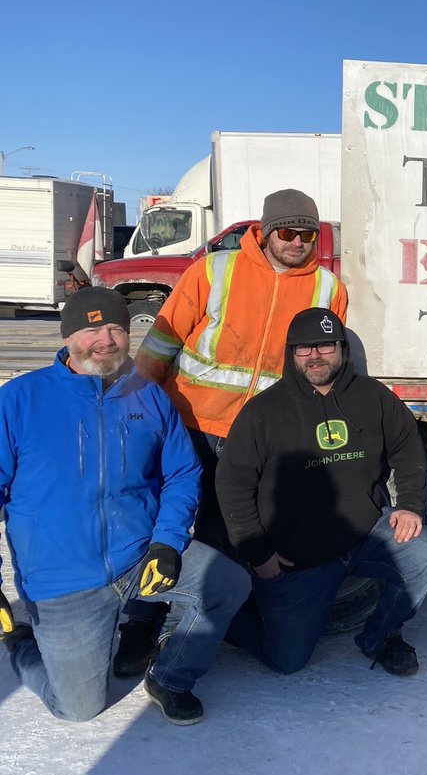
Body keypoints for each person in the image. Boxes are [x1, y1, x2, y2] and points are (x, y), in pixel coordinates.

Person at [119, 188, 348, 675]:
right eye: (287, 232)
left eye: (308, 233)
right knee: (166, 527)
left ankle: (200, 629)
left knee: (225, 535)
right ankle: (139, 626)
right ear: (264, 231)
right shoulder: (213, 270)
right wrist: (137, 407)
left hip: (257, 438)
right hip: (191, 425)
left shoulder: (328, 289)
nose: (297, 242)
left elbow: (323, 365)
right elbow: (163, 338)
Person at [0, 287, 249, 725]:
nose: (106, 339)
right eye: (91, 329)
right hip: (64, 579)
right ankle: (20, 643)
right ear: (67, 338)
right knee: (77, 709)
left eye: (116, 327)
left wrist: (168, 542)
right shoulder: (19, 401)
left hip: (139, 558)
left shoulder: (150, 397)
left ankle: (169, 677)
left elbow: (181, 474)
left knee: (227, 583)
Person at [215, 308, 427, 676]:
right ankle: (227, 611)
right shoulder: (264, 412)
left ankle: (380, 637)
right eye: (304, 348)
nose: (315, 356)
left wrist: (410, 505)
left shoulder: (373, 396)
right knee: (286, 661)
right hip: (296, 559)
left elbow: (407, 446)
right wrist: (259, 554)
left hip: (365, 534)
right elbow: (233, 484)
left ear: (341, 349)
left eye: (325, 345)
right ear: (291, 354)